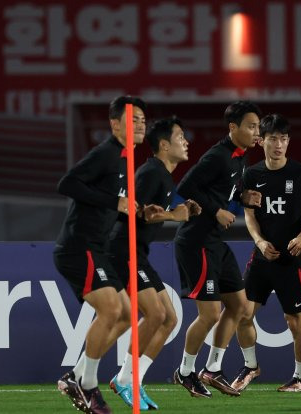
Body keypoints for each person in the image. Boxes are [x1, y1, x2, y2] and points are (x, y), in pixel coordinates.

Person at [54, 96, 147, 414]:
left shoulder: (126, 159)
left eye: (142, 121)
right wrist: (115, 203)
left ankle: (76, 376)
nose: (140, 125)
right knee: (110, 311)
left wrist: (133, 210)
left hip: (98, 248)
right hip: (79, 248)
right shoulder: (106, 153)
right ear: (115, 123)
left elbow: (112, 203)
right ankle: (88, 385)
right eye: (133, 119)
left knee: (126, 315)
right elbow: (67, 183)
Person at [108, 117, 201, 409]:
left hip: (139, 254)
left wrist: (184, 210)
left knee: (170, 318)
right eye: (180, 137)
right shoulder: (151, 173)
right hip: (124, 250)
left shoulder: (163, 175)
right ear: (164, 145)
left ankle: (134, 381)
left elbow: (156, 210)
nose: (186, 142)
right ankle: (124, 379)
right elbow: (142, 213)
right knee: (155, 314)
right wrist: (175, 215)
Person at [173, 101, 262, 398]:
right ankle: (185, 371)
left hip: (215, 243)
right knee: (210, 314)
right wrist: (216, 211)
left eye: (257, 126)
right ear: (233, 128)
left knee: (239, 306)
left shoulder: (240, 159)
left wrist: (244, 198)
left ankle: (211, 369)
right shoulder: (218, 156)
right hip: (196, 241)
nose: (256, 132)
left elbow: (225, 190)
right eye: (250, 126)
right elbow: (186, 186)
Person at [230, 114, 301, 393]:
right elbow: (249, 215)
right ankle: (250, 366)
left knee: (295, 321)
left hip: (291, 258)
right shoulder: (252, 174)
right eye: (273, 139)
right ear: (262, 142)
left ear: (288, 142)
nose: (279, 145)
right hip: (261, 257)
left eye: (283, 139)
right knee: (242, 314)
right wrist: (258, 242)